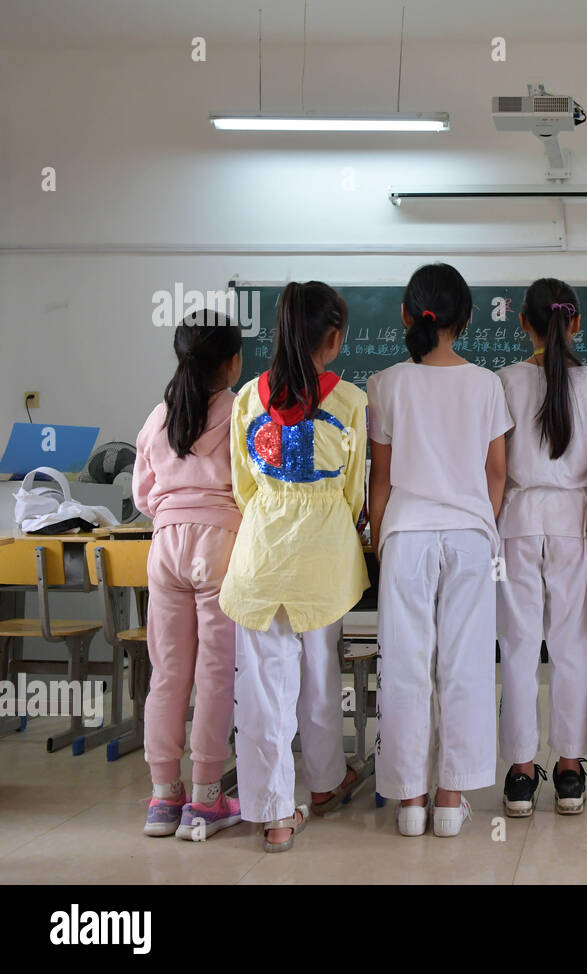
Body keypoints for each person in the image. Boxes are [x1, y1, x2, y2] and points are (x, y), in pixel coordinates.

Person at [219, 281, 369, 852]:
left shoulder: (246, 399)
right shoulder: (352, 401)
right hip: (324, 555)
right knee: (319, 672)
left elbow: (243, 488)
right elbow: (354, 494)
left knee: (261, 688)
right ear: (332, 339)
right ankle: (327, 783)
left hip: (260, 554)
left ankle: (276, 813)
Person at [367, 263, 513, 837]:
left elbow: (379, 481)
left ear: (407, 314)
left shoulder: (385, 383)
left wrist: (382, 541)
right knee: (466, 662)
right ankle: (451, 801)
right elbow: (496, 472)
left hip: (405, 533)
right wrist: (479, 519)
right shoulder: (487, 384)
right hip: (471, 536)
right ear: (469, 318)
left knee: (404, 664)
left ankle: (409, 801)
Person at [495, 278, 587, 816]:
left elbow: (493, 468)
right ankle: (569, 771)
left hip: (516, 521)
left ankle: (521, 774)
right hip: (574, 522)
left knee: (518, 648)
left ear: (524, 323)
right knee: (570, 648)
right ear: (577, 323)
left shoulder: (502, 381)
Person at [133, 310, 243, 839]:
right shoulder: (239, 411)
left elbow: (141, 493)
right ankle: (205, 797)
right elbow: (251, 484)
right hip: (219, 542)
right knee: (216, 674)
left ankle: (162, 797)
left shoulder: (160, 415)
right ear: (231, 362)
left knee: (168, 674)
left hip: (165, 546)